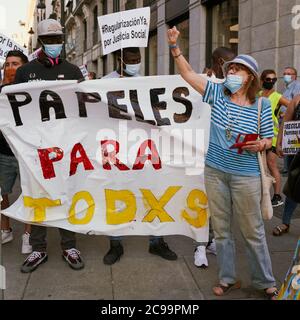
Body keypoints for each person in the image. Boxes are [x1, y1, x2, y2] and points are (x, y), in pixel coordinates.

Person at [167, 26, 278, 299]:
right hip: (215, 173)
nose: (230, 73)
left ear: (249, 77)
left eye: (237, 70)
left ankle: (265, 281)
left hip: (246, 176)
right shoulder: (217, 94)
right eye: (229, 69)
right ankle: (228, 278)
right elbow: (187, 74)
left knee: (253, 232)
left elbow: (268, 138)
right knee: (222, 231)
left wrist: (261, 144)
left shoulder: (262, 106)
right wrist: (174, 46)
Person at [14, 19, 84, 273]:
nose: (55, 45)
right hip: (35, 147)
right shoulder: (25, 72)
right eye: (50, 41)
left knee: (67, 193)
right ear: (41, 42)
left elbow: (84, 105)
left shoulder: (74, 71)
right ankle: (38, 248)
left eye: (58, 40)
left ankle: (69, 245)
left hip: (65, 145)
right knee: (38, 194)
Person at [101, 47, 177, 265]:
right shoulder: (106, 83)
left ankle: (157, 241)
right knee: (116, 194)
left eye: (138, 59)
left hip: (144, 148)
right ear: (120, 60)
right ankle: (115, 243)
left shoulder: (145, 82)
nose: (135, 63)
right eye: (131, 60)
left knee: (152, 193)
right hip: (115, 148)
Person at [194, 47, 236, 268]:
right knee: (203, 200)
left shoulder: (233, 87)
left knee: (221, 204)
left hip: (226, 155)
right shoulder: (203, 84)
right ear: (221, 62)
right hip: (202, 153)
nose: (235, 68)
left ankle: (212, 241)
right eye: (232, 63)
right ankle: (200, 246)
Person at [0, 50, 32, 254]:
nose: (11, 68)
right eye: (7, 64)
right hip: (4, 153)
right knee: (3, 194)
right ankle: (6, 228)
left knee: (30, 194)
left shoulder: (33, 91)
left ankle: (28, 234)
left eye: (15, 64)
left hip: (27, 153)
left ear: (24, 67)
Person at [259, 70, 290, 207]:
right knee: (261, 167)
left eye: (273, 80)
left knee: (272, 166)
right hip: (259, 136)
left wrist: (285, 118)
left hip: (272, 136)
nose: (270, 82)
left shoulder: (278, 96)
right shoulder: (258, 95)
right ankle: (263, 194)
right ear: (262, 80)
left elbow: (293, 106)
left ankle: (277, 196)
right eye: (268, 79)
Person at [273, 94, 300, 236]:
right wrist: (279, 143)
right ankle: (285, 222)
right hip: (295, 150)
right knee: (293, 186)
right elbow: (285, 122)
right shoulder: (297, 99)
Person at [280, 67, 300, 174]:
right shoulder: (287, 87)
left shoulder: (296, 86)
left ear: (295, 76)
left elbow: (294, 103)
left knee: (291, 144)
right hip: (284, 118)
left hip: (291, 120)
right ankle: (287, 168)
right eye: (285, 73)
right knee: (287, 143)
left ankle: (289, 169)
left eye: (289, 73)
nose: (286, 75)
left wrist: (287, 113)